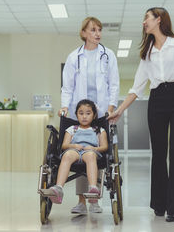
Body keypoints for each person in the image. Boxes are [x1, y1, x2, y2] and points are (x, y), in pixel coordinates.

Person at [108, 7, 174, 222]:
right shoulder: (147, 53)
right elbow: (137, 88)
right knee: (158, 153)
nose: (143, 22)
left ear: (159, 20)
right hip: (157, 100)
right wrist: (120, 110)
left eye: (146, 18)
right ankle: (159, 203)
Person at [59, 17, 119, 214]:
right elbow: (67, 87)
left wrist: (111, 107)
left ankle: (94, 200)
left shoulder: (108, 55)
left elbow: (114, 84)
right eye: (93, 30)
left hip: (100, 112)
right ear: (84, 33)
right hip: (79, 112)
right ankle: (81, 202)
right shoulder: (73, 57)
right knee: (79, 156)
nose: (97, 33)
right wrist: (65, 108)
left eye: (99, 29)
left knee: (94, 153)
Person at [49, 100, 108, 205]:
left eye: (88, 113)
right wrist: (74, 146)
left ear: (94, 115)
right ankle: (59, 188)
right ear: (76, 115)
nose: (84, 116)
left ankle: (93, 189)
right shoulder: (72, 129)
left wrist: (94, 149)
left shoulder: (99, 130)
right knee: (67, 155)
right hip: (75, 150)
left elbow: (105, 147)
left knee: (90, 156)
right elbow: (64, 146)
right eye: (81, 113)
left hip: (91, 151)